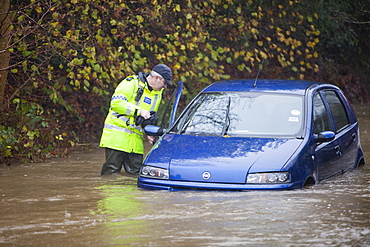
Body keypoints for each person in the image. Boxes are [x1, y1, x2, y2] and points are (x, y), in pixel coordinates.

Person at [100, 64, 172, 175]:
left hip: (135, 143)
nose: (165, 87)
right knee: (111, 174)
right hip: (116, 140)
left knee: (137, 175)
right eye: (165, 83)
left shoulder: (157, 94)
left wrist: (148, 132)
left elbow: (147, 118)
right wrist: (139, 111)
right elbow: (116, 103)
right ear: (157, 78)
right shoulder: (131, 83)